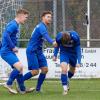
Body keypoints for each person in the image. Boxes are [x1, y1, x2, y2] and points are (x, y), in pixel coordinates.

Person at [23, 11, 57, 92]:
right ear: (43, 17)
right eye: (48, 17)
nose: (50, 19)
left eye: (51, 17)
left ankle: (38, 89)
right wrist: (52, 42)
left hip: (38, 51)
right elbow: (45, 35)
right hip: (32, 50)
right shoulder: (41, 26)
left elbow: (42, 37)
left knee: (45, 69)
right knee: (35, 72)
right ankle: (19, 81)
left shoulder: (43, 27)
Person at [0, 9, 33, 94]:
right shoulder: (14, 25)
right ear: (21, 15)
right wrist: (13, 47)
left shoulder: (15, 24)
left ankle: (22, 89)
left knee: (20, 69)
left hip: (8, 51)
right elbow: (6, 35)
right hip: (6, 51)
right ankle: (8, 84)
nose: (26, 19)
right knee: (19, 67)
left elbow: (7, 36)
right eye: (25, 17)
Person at [53, 31, 81, 95]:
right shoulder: (59, 37)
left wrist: (79, 62)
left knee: (72, 71)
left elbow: (78, 50)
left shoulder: (75, 37)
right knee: (64, 69)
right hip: (64, 53)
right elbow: (57, 46)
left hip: (73, 54)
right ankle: (65, 89)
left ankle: (67, 79)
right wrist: (55, 55)